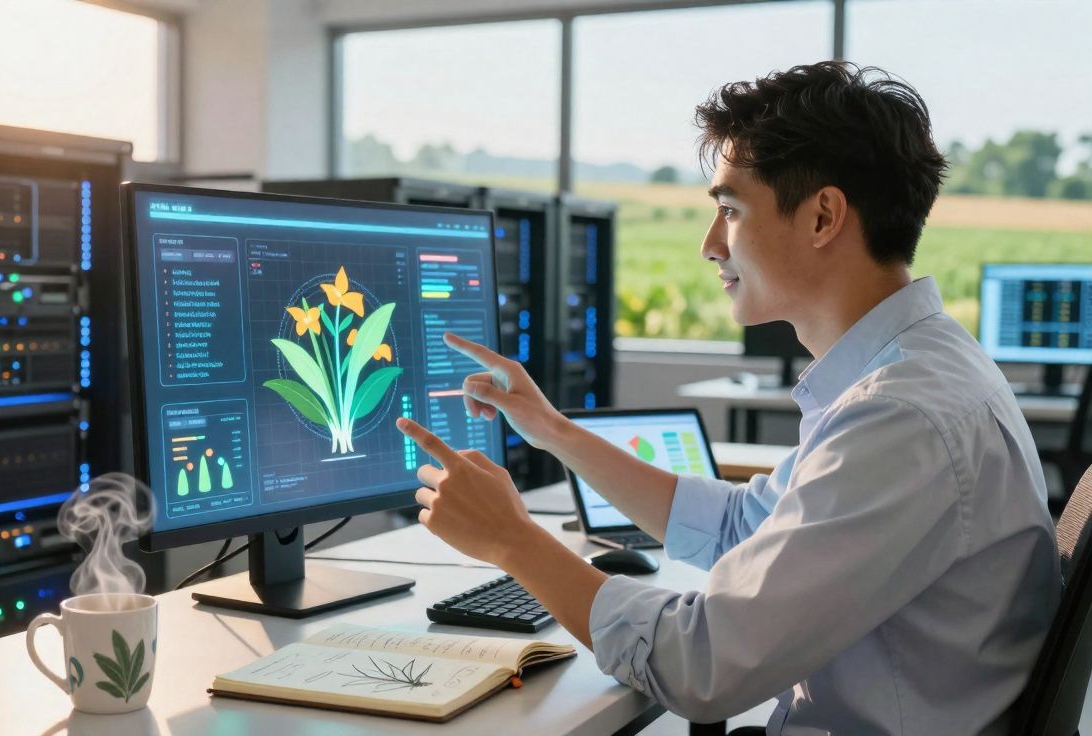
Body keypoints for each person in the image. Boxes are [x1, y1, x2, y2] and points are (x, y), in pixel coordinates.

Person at [394, 61, 1060, 735]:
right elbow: (744, 527)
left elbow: (701, 666)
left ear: (824, 215)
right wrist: (555, 431)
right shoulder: (911, 372)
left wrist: (513, 541)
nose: (710, 245)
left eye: (731, 210)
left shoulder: (902, 418)